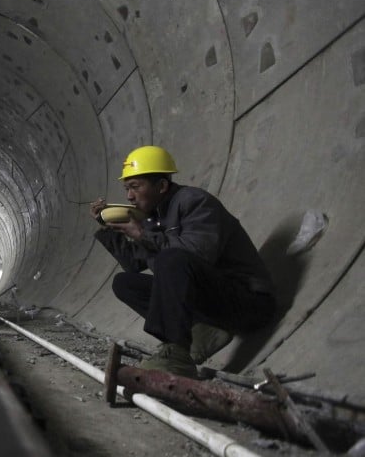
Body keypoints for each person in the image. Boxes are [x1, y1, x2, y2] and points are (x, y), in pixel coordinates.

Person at [90, 146, 276, 378]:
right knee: (124, 283)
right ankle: (202, 331)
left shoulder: (194, 202)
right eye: (127, 188)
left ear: (161, 186)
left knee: (172, 258)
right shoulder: (152, 218)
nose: (129, 196)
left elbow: (197, 255)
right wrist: (109, 229)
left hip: (247, 303)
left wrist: (143, 235)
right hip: (214, 304)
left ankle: (176, 354)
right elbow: (134, 265)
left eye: (136, 187)